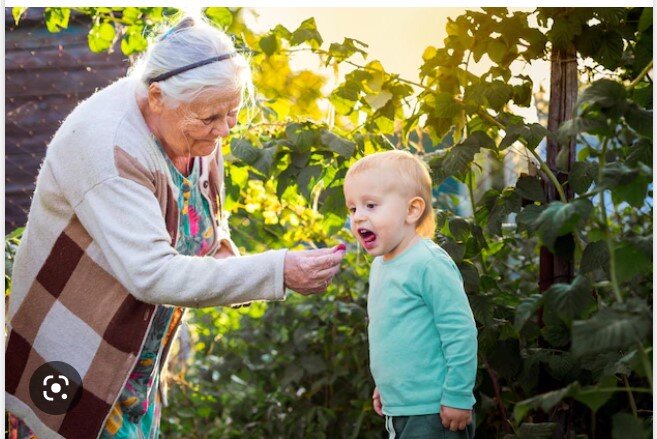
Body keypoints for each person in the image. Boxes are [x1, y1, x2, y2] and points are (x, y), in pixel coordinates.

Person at [6, 16, 345, 439]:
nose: (223, 131)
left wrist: (220, 248)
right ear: (157, 97)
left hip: (133, 358)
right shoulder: (107, 146)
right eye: (211, 118)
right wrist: (277, 271)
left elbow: (196, 209)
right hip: (77, 354)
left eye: (233, 114)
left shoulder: (193, 123)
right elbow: (151, 273)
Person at [343, 150, 477, 438]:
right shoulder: (380, 265)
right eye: (353, 209)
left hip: (434, 411)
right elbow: (395, 336)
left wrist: (457, 395)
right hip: (401, 408)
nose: (358, 217)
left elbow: (460, 332)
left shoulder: (428, 263)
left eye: (370, 205)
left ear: (412, 210)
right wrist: (388, 386)